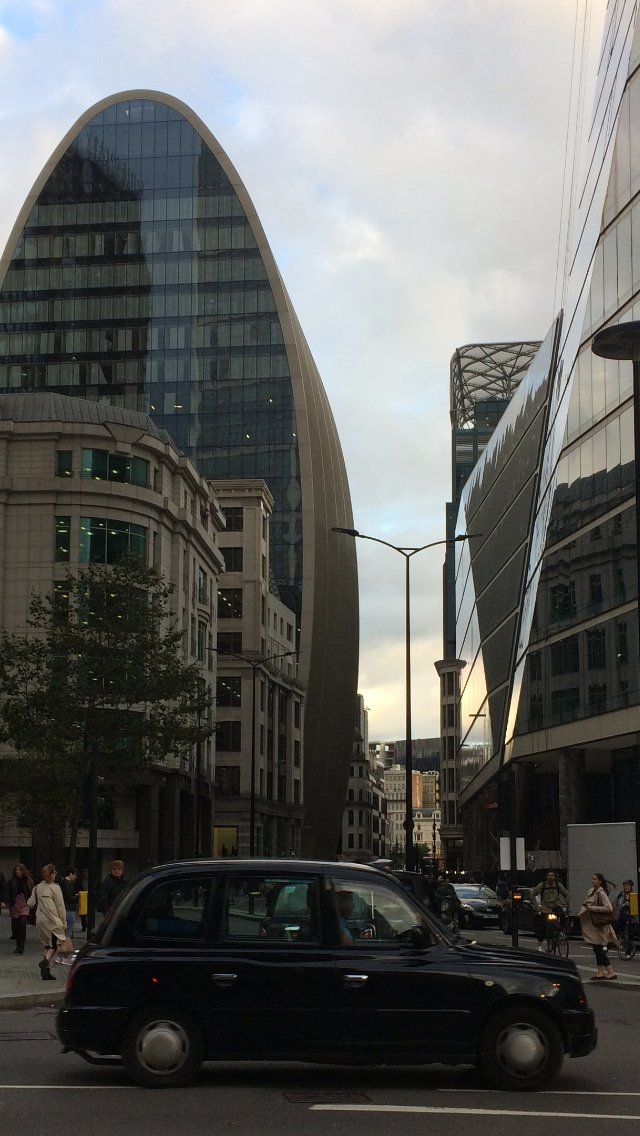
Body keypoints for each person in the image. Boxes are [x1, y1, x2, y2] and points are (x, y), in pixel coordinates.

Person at [27, 862, 67, 981]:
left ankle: (45, 972)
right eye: (54, 873)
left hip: (40, 919)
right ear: (50, 875)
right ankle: (45, 962)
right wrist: (64, 922)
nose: (55, 875)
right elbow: (60, 906)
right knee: (55, 944)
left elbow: (30, 903)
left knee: (47, 944)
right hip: (53, 920)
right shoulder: (55, 888)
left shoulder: (37, 887)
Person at [579, 872, 617, 980]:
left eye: (595, 879)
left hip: (600, 924)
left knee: (598, 949)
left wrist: (593, 908)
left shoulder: (601, 893)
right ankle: (600, 972)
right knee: (596, 948)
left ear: (600, 881)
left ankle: (610, 972)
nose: (592, 880)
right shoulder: (592, 892)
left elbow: (609, 908)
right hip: (594, 924)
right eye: (592, 878)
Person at [533, 870, 569, 951]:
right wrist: (536, 906)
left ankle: (561, 932)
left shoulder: (558, 885)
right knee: (542, 926)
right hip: (545, 908)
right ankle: (539, 945)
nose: (550, 877)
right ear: (546, 876)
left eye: (552, 875)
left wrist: (565, 903)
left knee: (563, 916)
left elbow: (567, 894)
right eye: (549, 875)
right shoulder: (542, 885)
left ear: (555, 877)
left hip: (556, 906)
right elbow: (532, 895)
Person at [7, 863, 34, 954]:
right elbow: (8, 892)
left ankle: (21, 945)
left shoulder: (28, 881)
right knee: (16, 925)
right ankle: (18, 943)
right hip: (14, 903)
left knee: (22, 923)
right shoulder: (12, 881)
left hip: (24, 903)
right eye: (16, 870)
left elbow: (31, 892)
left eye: (20, 870)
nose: (18, 872)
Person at [59, 867, 78, 940]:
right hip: (69, 907)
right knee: (69, 928)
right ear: (70, 874)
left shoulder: (63, 882)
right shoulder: (68, 884)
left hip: (65, 906)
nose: (75, 877)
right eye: (75, 875)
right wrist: (76, 897)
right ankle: (66, 945)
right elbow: (69, 896)